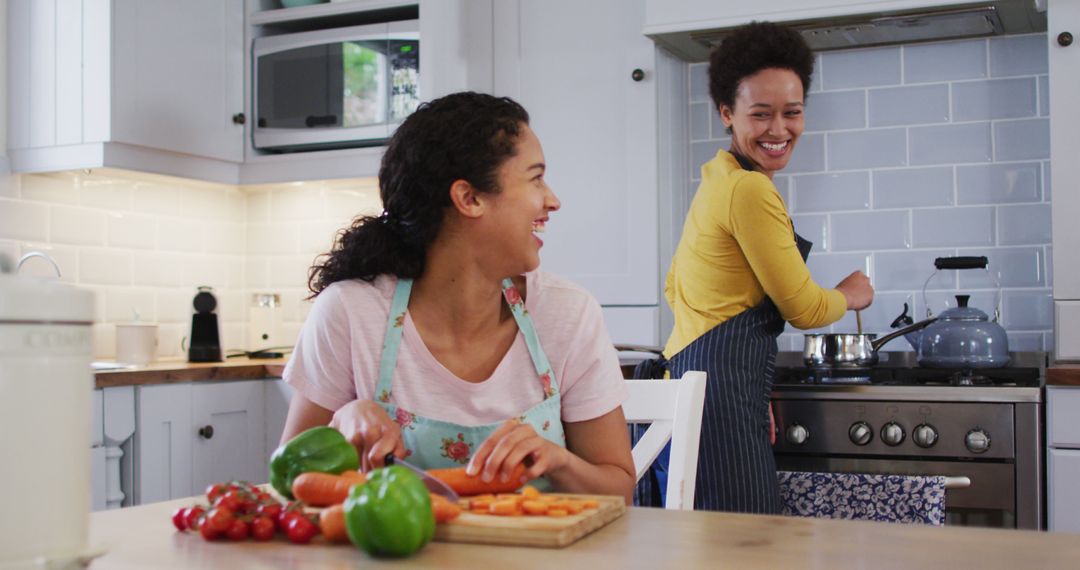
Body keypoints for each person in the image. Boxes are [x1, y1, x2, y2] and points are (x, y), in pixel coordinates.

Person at [279, 92, 635, 501]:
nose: (552, 200)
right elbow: (288, 485)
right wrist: (341, 424)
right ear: (469, 198)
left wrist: (559, 460)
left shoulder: (566, 313)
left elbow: (620, 491)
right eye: (535, 178)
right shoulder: (350, 312)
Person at [647, 21, 875, 513]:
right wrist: (853, 293)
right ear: (727, 113)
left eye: (792, 113)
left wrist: (751, 386)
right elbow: (806, 310)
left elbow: (677, 288)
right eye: (761, 114)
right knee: (745, 547)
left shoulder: (718, 178)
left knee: (715, 544)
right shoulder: (749, 190)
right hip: (718, 402)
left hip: (699, 388)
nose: (779, 129)